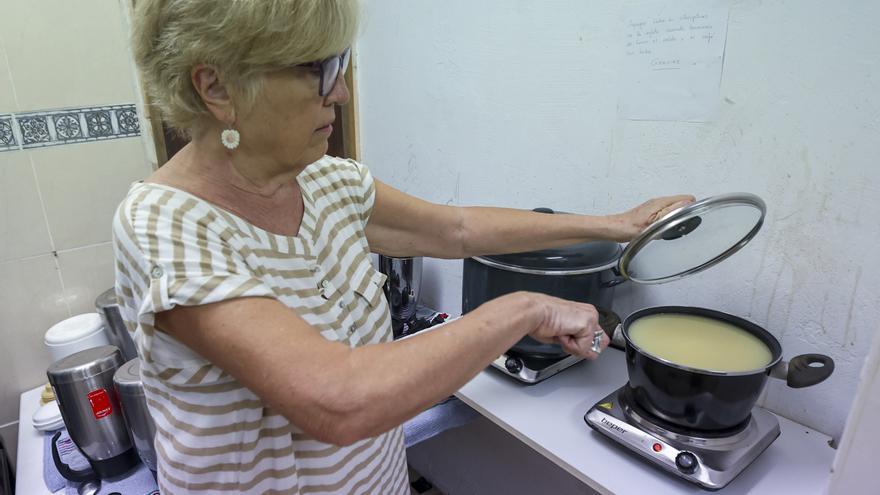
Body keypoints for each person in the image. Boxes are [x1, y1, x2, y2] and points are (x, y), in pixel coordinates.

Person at [115, 0, 693, 493]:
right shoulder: (165, 225)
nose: (340, 91)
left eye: (341, 64)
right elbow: (339, 400)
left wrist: (613, 224)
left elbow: (459, 229)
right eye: (319, 68)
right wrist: (525, 307)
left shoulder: (326, 181)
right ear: (216, 86)